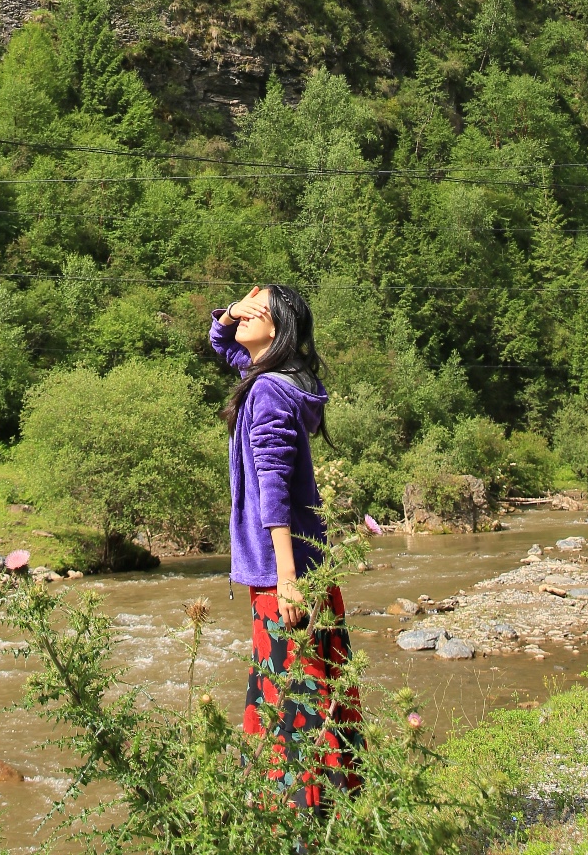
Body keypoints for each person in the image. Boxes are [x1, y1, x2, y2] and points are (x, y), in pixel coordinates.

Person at [211, 284, 360, 809]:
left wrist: (287, 582)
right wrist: (230, 313)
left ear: (277, 329)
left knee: (293, 699)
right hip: (303, 563)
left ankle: (299, 821)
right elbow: (219, 341)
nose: (245, 316)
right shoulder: (277, 380)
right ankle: (337, 811)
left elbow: (272, 488)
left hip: (285, 573)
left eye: (259, 309)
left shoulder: (269, 390)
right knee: (313, 691)